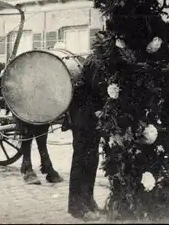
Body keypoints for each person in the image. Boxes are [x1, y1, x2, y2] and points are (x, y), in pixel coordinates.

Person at [67, 53, 105, 221]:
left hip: (92, 117)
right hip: (84, 116)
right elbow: (97, 89)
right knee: (82, 160)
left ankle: (88, 200)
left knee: (92, 159)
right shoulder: (97, 60)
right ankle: (76, 206)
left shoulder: (102, 57)